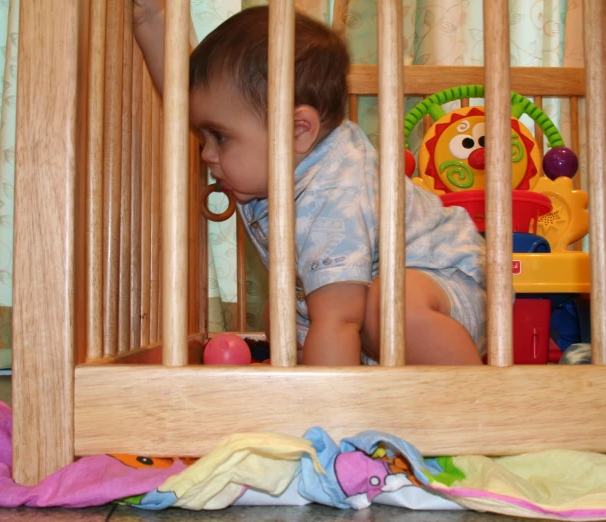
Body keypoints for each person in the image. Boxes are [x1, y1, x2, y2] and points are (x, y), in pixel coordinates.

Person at [133, 2, 487, 366]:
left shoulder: (334, 192)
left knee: (387, 305)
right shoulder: (280, 160)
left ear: (297, 131)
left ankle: (470, 400)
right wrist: (150, 20)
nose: (206, 154)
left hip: (445, 282)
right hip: (368, 300)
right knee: (283, 311)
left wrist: (323, 415)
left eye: (220, 137)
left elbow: (339, 319)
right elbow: (184, 96)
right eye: (203, 135)